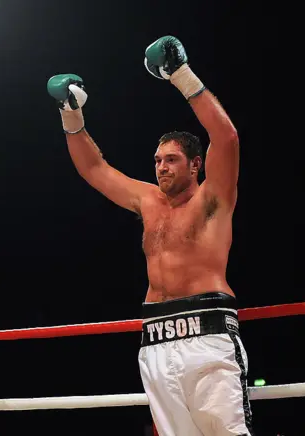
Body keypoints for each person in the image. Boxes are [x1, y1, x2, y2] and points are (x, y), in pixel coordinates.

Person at [47, 36, 251, 435]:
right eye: (157, 161)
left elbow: (226, 138)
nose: (161, 168)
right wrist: (70, 114)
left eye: (171, 160)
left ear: (196, 165)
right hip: (156, 337)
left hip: (208, 330)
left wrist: (180, 74)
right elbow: (95, 170)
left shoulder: (214, 198)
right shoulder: (148, 201)